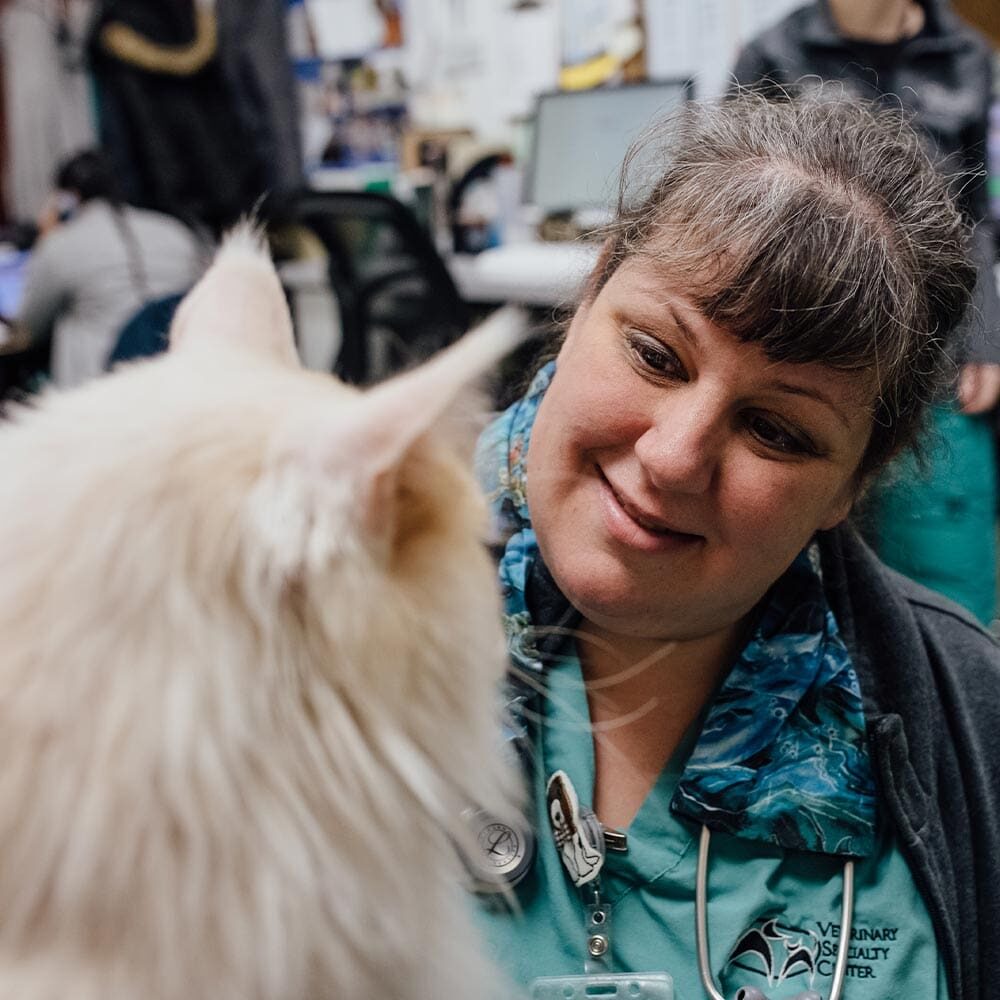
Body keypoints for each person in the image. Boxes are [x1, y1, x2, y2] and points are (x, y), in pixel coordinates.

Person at [472, 94, 1000, 1000]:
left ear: (853, 485)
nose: (673, 459)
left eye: (777, 431)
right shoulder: (314, 600)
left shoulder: (968, 719)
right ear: (590, 290)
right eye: (655, 354)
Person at [730, 0, 1000, 623]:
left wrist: (986, 337)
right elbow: (731, 201)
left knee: (947, 585)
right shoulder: (772, 55)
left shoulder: (966, 56)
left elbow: (979, 218)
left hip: (938, 364)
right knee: (795, 583)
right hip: (803, 356)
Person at [14, 149, 206, 389]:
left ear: (67, 199)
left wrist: (45, 237)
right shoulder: (175, 232)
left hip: (101, 391)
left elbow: (27, 329)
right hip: (180, 379)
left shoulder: (61, 245)